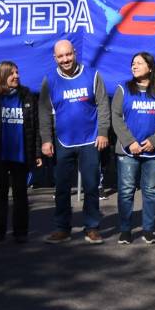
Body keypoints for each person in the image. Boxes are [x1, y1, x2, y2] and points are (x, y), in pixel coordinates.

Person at [39, 40, 111, 244]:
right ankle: (63, 228)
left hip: (90, 139)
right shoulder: (50, 80)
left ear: (75, 53)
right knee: (61, 187)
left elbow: (103, 105)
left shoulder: (92, 75)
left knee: (91, 186)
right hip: (63, 141)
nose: (65, 59)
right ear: (55, 58)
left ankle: (92, 227)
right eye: (60, 56)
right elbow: (44, 112)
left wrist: (103, 132)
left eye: (68, 55)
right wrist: (46, 140)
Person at [111, 52, 155, 245]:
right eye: (133, 63)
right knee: (125, 191)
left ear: (150, 67)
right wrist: (129, 141)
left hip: (153, 151)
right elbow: (116, 117)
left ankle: (148, 229)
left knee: (150, 191)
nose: (134, 66)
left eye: (139, 63)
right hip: (127, 150)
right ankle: (125, 230)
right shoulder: (123, 89)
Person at [0, 61, 38, 244]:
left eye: (17, 72)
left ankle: (20, 232)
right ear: (2, 76)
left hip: (20, 155)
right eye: (11, 73)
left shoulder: (26, 96)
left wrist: (37, 154)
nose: (16, 76)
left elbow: (34, 127)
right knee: (0, 195)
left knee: (21, 195)